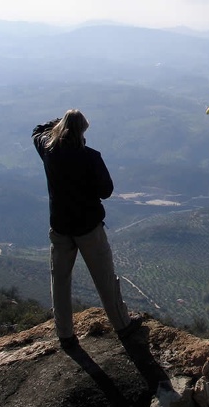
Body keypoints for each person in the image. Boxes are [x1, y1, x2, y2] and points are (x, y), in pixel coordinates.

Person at [32, 109, 142, 349]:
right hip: (88, 228)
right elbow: (106, 190)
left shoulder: (48, 151)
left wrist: (59, 122)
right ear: (82, 131)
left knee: (60, 281)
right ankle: (122, 326)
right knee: (105, 279)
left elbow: (37, 131)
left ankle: (65, 334)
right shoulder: (90, 157)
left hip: (60, 227)